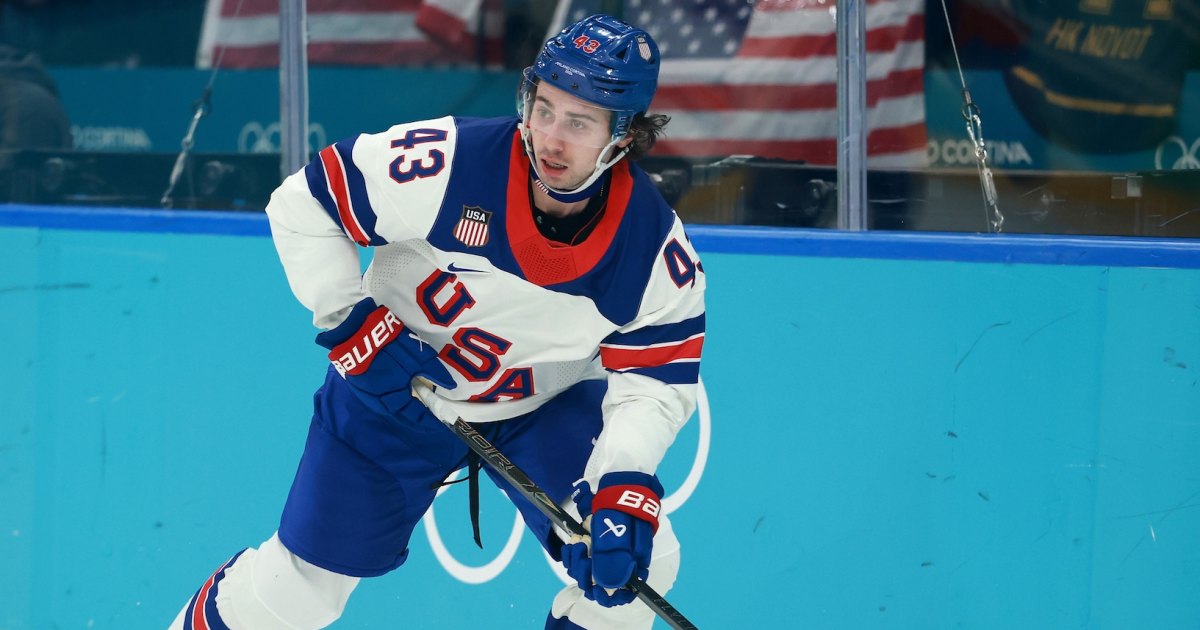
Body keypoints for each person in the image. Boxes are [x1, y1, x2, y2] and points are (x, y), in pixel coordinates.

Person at [169, 13, 705, 630]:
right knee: (300, 592)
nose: (550, 139)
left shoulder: (653, 250)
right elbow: (304, 204)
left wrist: (622, 482)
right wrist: (352, 326)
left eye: (579, 123)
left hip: (540, 407)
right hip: (392, 392)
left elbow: (655, 383)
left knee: (634, 567)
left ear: (626, 135)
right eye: (544, 109)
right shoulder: (448, 162)